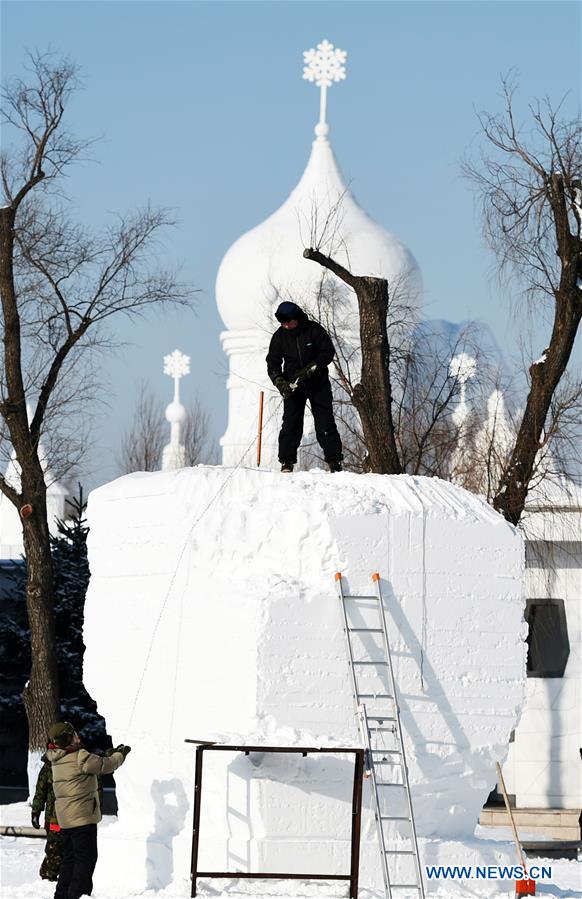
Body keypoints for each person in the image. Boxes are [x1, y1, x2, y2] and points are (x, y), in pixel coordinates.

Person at [46, 722, 131, 899]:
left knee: (69, 860)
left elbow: (94, 763)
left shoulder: (57, 758)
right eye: (74, 734)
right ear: (69, 738)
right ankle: (77, 895)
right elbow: (105, 765)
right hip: (82, 819)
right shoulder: (80, 757)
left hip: (66, 819)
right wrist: (120, 754)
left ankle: (61, 895)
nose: (78, 736)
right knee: (85, 860)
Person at [266, 301, 343, 473]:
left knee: (325, 423)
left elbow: (327, 352)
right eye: (283, 323)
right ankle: (286, 462)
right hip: (293, 387)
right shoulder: (279, 337)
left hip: (318, 384)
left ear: (297, 318)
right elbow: (272, 363)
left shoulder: (314, 330)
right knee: (291, 424)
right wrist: (280, 382)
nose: (286, 325)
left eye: (288, 322)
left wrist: (311, 368)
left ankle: (334, 461)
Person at [31, 748, 63, 881]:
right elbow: (40, 790)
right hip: (53, 817)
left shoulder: (77, 759)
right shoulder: (49, 765)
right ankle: (47, 878)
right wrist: (36, 811)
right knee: (54, 848)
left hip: (72, 815)